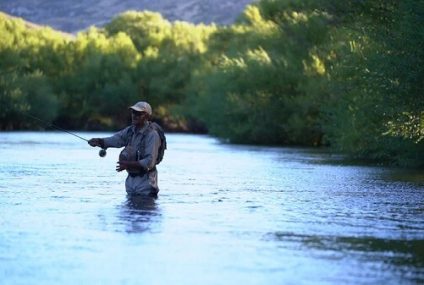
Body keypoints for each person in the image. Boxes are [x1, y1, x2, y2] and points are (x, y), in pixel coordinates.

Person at [88, 101, 161, 196]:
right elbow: (116, 139)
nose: (134, 115)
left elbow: (149, 162)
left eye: (138, 113)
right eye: (133, 112)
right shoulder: (130, 131)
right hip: (130, 183)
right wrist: (100, 141)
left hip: (146, 183)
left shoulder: (152, 135)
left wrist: (127, 165)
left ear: (146, 116)